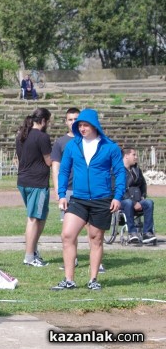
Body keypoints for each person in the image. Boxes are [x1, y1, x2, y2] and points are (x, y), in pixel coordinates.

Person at [52, 109, 126, 291]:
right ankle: (69, 280)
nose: (82, 128)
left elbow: (120, 173)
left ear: (94, 125)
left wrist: (118, 197)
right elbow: (63, 171)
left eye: (85, 125)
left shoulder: (110, 147)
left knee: (95, 238)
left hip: (102, 200)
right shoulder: (72, 146)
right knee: (67, 235)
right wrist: (61, 194)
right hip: (78, 199)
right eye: (80, 125)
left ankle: (93, 279)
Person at [51, 108, 105, 273]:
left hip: (91, 193)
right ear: (66, 122)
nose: (74, 122)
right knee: (69, 232)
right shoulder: (61, 143)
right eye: (70, 119)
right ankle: (71, 261)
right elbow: (57, 168)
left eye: (77, 119)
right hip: (69, 191)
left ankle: (96, 263)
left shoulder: (96, 142)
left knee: (92, 230)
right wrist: (58, 192)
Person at [16, 108, 52, 267]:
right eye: (48, 121)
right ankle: (29, 257)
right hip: (37, 183)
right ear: (43, 121)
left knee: (40, 216)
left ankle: (33, 250)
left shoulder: (21, 135)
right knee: (34, 218)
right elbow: (49, 161)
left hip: (23, 181)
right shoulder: (42, 137)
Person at [121, 147, 156, 245]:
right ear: (126, 156)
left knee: (149, 202)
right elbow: (117, 189)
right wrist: (133, 202)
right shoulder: (117, 170)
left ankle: (147, 233)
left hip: (137, 199)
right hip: (122, 201)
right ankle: (132, 233)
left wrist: (143, 196)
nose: (136, 157)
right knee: (128, 202)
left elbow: (143, 184)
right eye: (134, 155)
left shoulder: (137, 170)